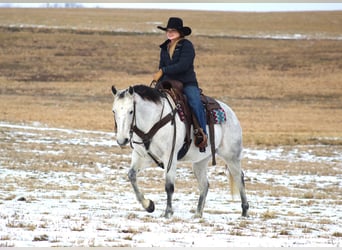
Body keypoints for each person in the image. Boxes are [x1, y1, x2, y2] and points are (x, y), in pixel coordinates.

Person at [152, 17, 207, 150]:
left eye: (173, 31)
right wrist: (157, 81)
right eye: (168, 30)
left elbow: (183, 65)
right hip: (168, 82)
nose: (170, 33)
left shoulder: (186, 45)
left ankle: (202, 133)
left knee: (194, 101)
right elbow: (161, 65)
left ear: (180, 32)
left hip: (186, 81)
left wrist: (163, 70)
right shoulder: (164, 47)